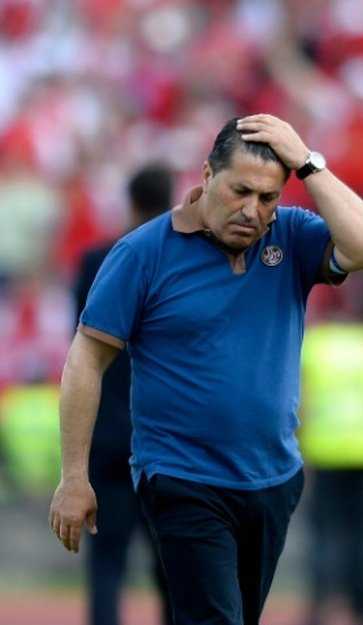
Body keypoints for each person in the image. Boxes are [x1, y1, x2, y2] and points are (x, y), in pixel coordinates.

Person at [48, 114, 363, 625]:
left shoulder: (291, 237)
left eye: (268, 198)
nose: (253, 210)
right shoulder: (143, 253)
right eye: (240, 191)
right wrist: (74, 476)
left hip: (271, 479)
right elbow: (85, 361)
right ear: (207, 176)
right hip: (182, 476)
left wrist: (309, 164)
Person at [73, 164, 173, 625]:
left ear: (129, 201)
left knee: (106, 560)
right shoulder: (180, 260)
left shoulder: (97, 260)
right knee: (172, 563)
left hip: (107, 429)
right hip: (163, 435)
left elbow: (84, 350)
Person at [297, 314, 363, 625]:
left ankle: (322, 608)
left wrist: (299, 449)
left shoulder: (315, 345)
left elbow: (304, 403)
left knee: (327, 536)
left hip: (326, 450)